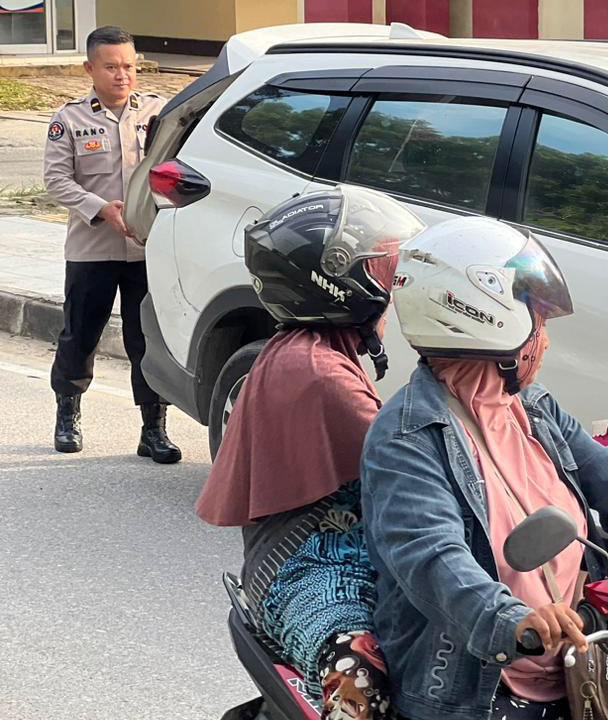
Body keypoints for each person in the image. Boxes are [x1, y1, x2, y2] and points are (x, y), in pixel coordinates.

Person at [359, 217, 608, 720]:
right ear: (484, 317)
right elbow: (429, 556)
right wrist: (511, 620)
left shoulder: (533, 408)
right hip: (474, 690)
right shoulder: (406, 437)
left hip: (582, 654)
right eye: (538, 321)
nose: (546, 342)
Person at [194, 186, 424, 720]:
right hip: (308, 570)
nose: (394, 285)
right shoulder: (322, 375)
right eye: (382, 269)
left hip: (340, 550)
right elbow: (410, 472)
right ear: (338, 282)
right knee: (359, 678)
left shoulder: (308, 351)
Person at [42, 26, 176, 461]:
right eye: (112, 67)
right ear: (90, 68)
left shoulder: (160, 113)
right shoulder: (70, 119)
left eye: (130, 66)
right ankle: (67, 414)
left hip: (144, 250)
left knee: (147, 341)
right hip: (91, 251)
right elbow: (56, 181)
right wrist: (102, 208)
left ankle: (153, 429)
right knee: (79, 336)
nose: (123, 75)